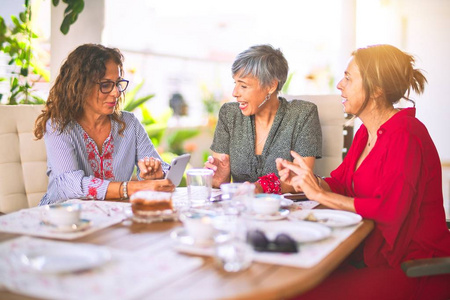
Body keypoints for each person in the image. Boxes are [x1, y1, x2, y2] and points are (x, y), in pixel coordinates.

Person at [276, 44, 450, 299]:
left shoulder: (406, 135)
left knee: (301, 293)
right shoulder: (364, 132)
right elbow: (341, 183)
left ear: (377, 89)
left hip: (414, 268)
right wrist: (308, 180)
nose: (339, 85)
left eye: (348, 78)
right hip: (374, 256)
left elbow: (390, 210)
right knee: (292, 278)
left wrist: (319, 195)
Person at [34, 44, 175, 205]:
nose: (116, 92)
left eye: (117, 83)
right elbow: (70, 185)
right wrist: (131, 188)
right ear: (80, 85)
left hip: (112, 217)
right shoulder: (59, 125)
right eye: (106, 85)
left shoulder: (130, 124)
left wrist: (156, 174)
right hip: (63, 220)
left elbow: (163, 168)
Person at [205, 44, 322, 194]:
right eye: (235, 83)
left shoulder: (303, 114)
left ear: (271, 86)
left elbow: (300, 180)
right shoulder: (229, 115)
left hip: (285, 212)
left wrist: (260, 187)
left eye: (244, 86)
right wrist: (219, 180)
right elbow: (223, 184)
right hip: (241, 210)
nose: (235, 93)